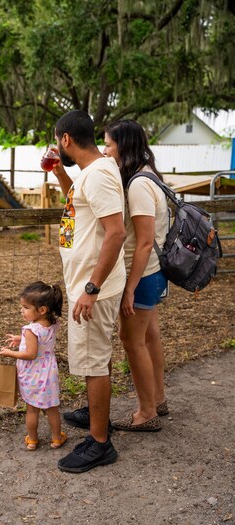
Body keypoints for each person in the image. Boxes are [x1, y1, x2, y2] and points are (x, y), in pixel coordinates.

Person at [51, 110, 126, 473]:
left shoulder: (97, 175)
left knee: (93, 362)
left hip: (93, 288)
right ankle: (101, 419)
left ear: (66, 139)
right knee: (98, 356)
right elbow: (80, 206)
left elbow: (116, 232)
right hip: (89, 283)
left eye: (57, 140)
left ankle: (100, 443)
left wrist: (92, 288)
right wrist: (59, 173)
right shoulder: (91, 173)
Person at [103, 119, 169, 431]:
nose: (105, 150)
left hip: (142, 275)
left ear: (123, 146)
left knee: (131, 340)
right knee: (150, 335)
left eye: (108, 144)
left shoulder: (140, 184)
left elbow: (143, 243)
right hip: (150, 274)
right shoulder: (148, 174)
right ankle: (158, 398)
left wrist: (129, 288)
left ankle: (146, 414)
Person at [0, 281, 67, 451]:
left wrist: (10, 353)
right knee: (52, 408)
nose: (22, 310)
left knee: (32, 409)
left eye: (26, 307)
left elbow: (31, 354)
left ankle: (33, 440)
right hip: (49, 371)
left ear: (42, 310)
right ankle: (57, 439)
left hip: (33, 373)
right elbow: (41, 340)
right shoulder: (52, 323)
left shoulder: (30, 330)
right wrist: (19, 338)